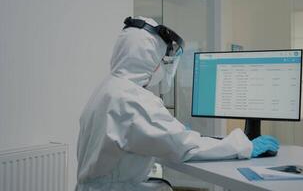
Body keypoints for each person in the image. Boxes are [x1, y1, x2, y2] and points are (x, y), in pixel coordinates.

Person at [75, 16, 279, 191]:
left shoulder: (108, 88)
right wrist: (245, 146)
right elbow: (187, 148)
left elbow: (143, 136)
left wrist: (176, 132)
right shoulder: (133, 99)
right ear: (150, 59)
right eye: (163, 59)